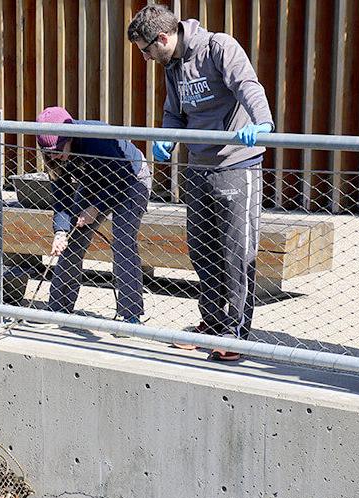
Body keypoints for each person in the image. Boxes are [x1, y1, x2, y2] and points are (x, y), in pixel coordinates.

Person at [127, 5, 274, 361]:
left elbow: (248, 86)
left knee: (236, 253)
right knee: (202, 249)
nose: (146, 57)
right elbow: (174, 111)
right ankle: (210, 323)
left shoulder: (218, 47)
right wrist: (168, 135)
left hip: (236, 164)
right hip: (198, 166)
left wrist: (263, 123)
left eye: (146, 50)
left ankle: (236, 334)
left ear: (163, 38)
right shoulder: (171, 65)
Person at [35, 106, 151, 325]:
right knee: (73, 241)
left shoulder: (94, 138)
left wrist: (95, 208)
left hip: (130, 178)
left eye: (59, 150)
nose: (55, 156)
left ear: (70, 138)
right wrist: (60, 231)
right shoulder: (54, 154)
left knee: (122, 242)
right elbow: (62, 194)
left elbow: (122, 178)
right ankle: (58, 308)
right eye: (49, 153)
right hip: (93, 182)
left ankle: (131, 315)